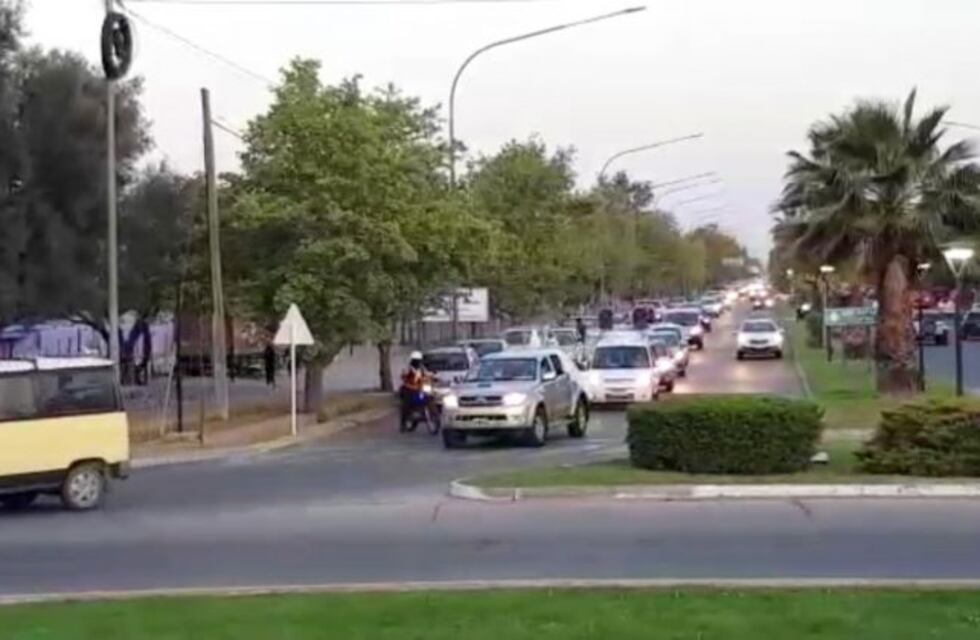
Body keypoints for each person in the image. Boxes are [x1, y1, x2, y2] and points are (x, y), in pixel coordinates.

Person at [399, 351, 431, 422]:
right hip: (408, 388)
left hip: (419, 388)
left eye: (419, 360)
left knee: (429, 396)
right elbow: (403, 375)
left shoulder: (421, 367)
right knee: (406, 405)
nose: (418, 362)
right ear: (412, 360)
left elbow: (427, 374)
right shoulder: (408, 368)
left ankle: (428, 412)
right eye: (416, 360)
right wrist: (405, 376)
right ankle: (403, 423)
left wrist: (433, 377)